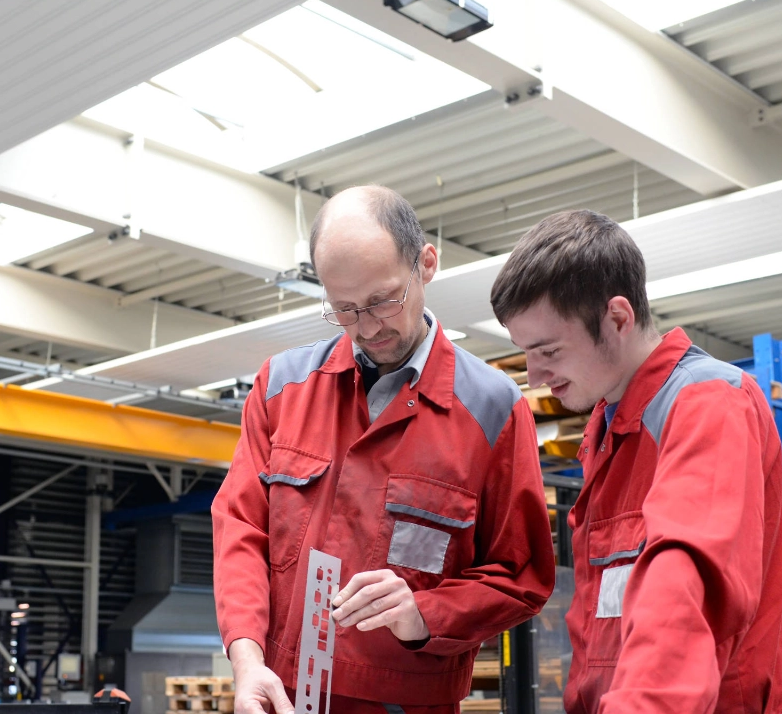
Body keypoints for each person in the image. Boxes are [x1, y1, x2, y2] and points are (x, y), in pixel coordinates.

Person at [212, 185, 555, 714]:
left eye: (381, 301)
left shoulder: (493, 410)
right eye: (344, 310)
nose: (368, 327)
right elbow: (241, 529)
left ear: (427, 264)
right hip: (282, 695)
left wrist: (424, 613)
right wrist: (248, 661)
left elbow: (521, 576)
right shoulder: (282, 388)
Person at [489, 210, 782, 714]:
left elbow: (681, 591)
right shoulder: (609, 428)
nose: (535, 377)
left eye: (549, 351)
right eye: (525, 354)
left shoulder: (707, 405)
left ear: (618, 319)